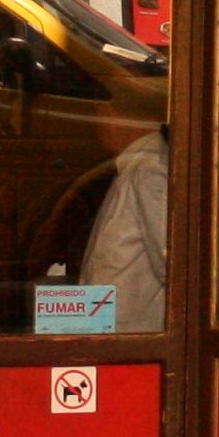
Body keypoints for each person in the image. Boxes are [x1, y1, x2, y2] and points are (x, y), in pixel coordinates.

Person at [77, 127, 170, 330]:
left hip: (129, 327)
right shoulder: (142, 164)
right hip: (114, 321)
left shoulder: (149, 166)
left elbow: (169, 258)